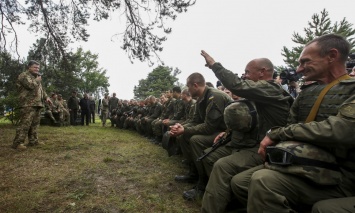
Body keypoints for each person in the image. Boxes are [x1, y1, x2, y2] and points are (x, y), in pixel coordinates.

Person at [231, 34, 355, 213]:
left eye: (305, 62)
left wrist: (277, 134)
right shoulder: (306, 93)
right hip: (302, 164)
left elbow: (340, 130)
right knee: (241, 183)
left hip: (341, 175)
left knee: (263, 181)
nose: (298, 69)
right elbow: (290, 124)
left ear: (332, 56)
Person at [169, 72, 232, 199]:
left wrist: (185, 130)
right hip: (215, 130)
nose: (187, 89)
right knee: (183, 136)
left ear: (195, 85)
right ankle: (194, 173)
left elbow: (209, 127)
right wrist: (181, 127)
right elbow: (196, 120)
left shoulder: (215, 96)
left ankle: (203, 184)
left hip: (226, 133)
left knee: (196, 140)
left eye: (188, 86)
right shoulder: (201, 99)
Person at [12, 60, 52, 150]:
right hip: (27, 104)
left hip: (37, 103)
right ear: (29, 67)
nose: (37, 69)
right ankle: (17, 143)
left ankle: (33, 141)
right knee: (25, 124)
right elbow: (29, 86)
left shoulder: (36, 77)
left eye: (38, 68)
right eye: (35, 67)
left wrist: (46, 98)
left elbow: (41, 90)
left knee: (35, 124)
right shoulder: (24, 75)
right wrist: (37, 80)